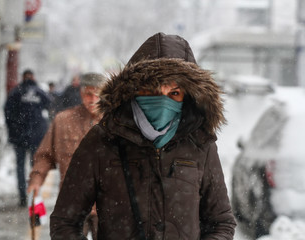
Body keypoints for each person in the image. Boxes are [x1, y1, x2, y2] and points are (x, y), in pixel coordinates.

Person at [50, 33, 236, 239]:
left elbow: (221, 223)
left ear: (188, 95)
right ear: (133, 91)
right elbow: (65, 221)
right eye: (151, 91)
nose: (162, 102)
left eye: (174, 93)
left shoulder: (200, 144)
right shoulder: (103, 140)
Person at [28, 72, 107, 240]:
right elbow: (45, 156)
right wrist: (36, 180)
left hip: (108, 205)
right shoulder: (63, 120)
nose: (92, 99)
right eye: (88, 94)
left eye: (97, 94)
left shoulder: (116, 122)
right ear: (81, 93)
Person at [4, 69, 51, 207]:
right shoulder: (40, 92)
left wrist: (12, 129)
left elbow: (7, 112)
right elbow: (50, 105)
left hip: (19, 137)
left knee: (20, 166)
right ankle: (34, 193)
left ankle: (22, 195)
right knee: (34, 166)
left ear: (23, 77)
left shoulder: (16, 92)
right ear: (33, 77)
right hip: (36, 137)